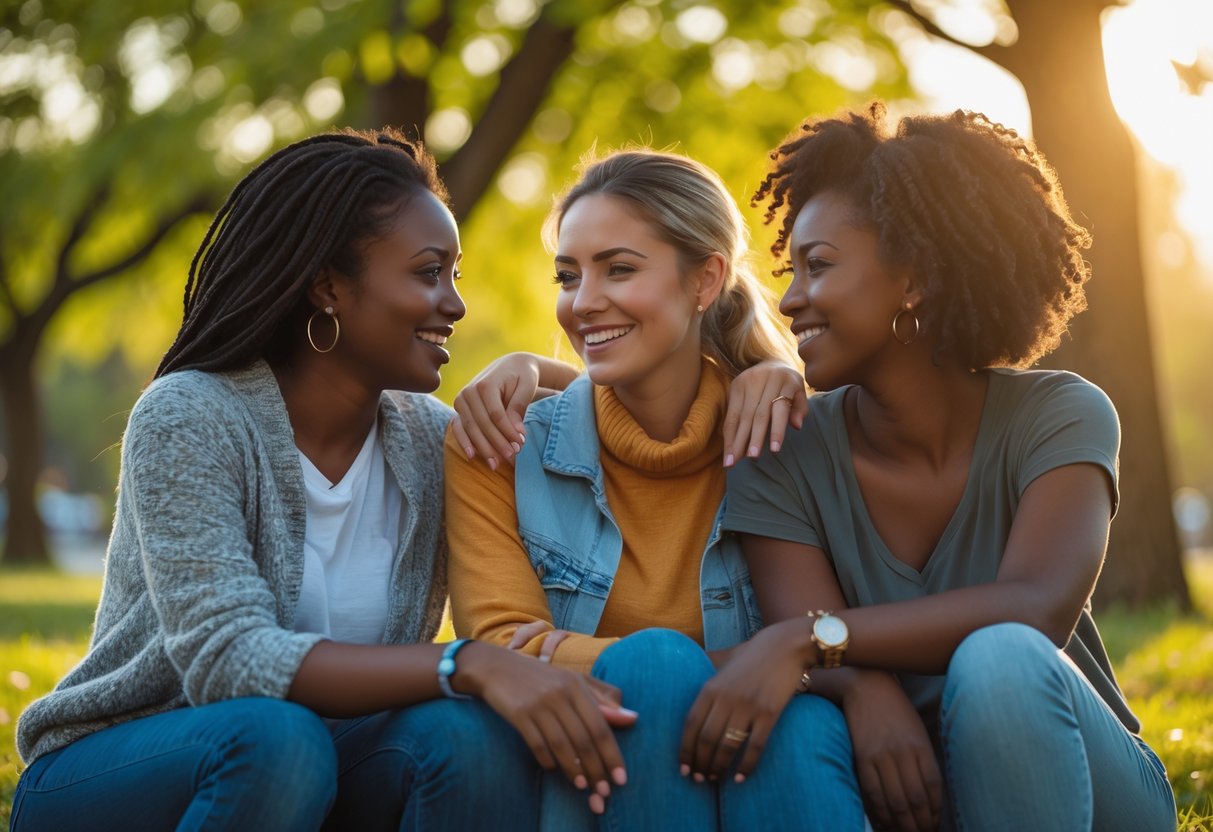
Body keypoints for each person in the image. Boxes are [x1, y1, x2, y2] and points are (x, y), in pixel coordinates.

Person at [10, 128, 636, 832]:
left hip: (322, 761)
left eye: (455, 275)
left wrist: (531, 366)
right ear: (328, 286)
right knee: (278, 740)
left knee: (469, 739)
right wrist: (462, 664)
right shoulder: (191, 415)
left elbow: (632, 426)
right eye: (429, 272)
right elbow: (228, 659)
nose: (455, 304)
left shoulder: (434, 440)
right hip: (120, 773)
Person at [705, 104, 1177, 831]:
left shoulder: (1058, 415)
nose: (790, 297)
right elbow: (810, 627)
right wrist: (860, 684)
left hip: (1084, 785)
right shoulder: (781, 447)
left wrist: (809, 640)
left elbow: (1033, 605)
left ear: (915, 278)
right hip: (907, 791)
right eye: (788, 270)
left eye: (819, 265)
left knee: (1001, 658)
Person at [445, 149, 866, 830]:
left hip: (754, 755)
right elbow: (499, 645)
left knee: (800, 727)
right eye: (567, 275)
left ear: (704, 281)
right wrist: (686, 672)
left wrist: (575, 654)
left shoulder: (783, 437)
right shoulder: (499, 441)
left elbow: (829, 630)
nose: (582, 303)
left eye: (619, 269)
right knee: (661, 664)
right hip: (574, 761)